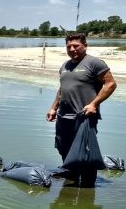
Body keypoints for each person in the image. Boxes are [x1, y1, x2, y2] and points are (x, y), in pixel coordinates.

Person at [46, 34, 117, 188]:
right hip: (63, 116)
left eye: (76, 46)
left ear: (85, 45)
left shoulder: (94, 63)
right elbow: (62, 89)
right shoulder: (65, 66)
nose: (72, 49)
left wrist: (94, 104)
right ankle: (71, 176)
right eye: (69, 47)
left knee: (86, 152)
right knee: (63, 146)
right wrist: (53, 107)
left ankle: (87, 187)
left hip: (84, 116)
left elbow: (110, 84)